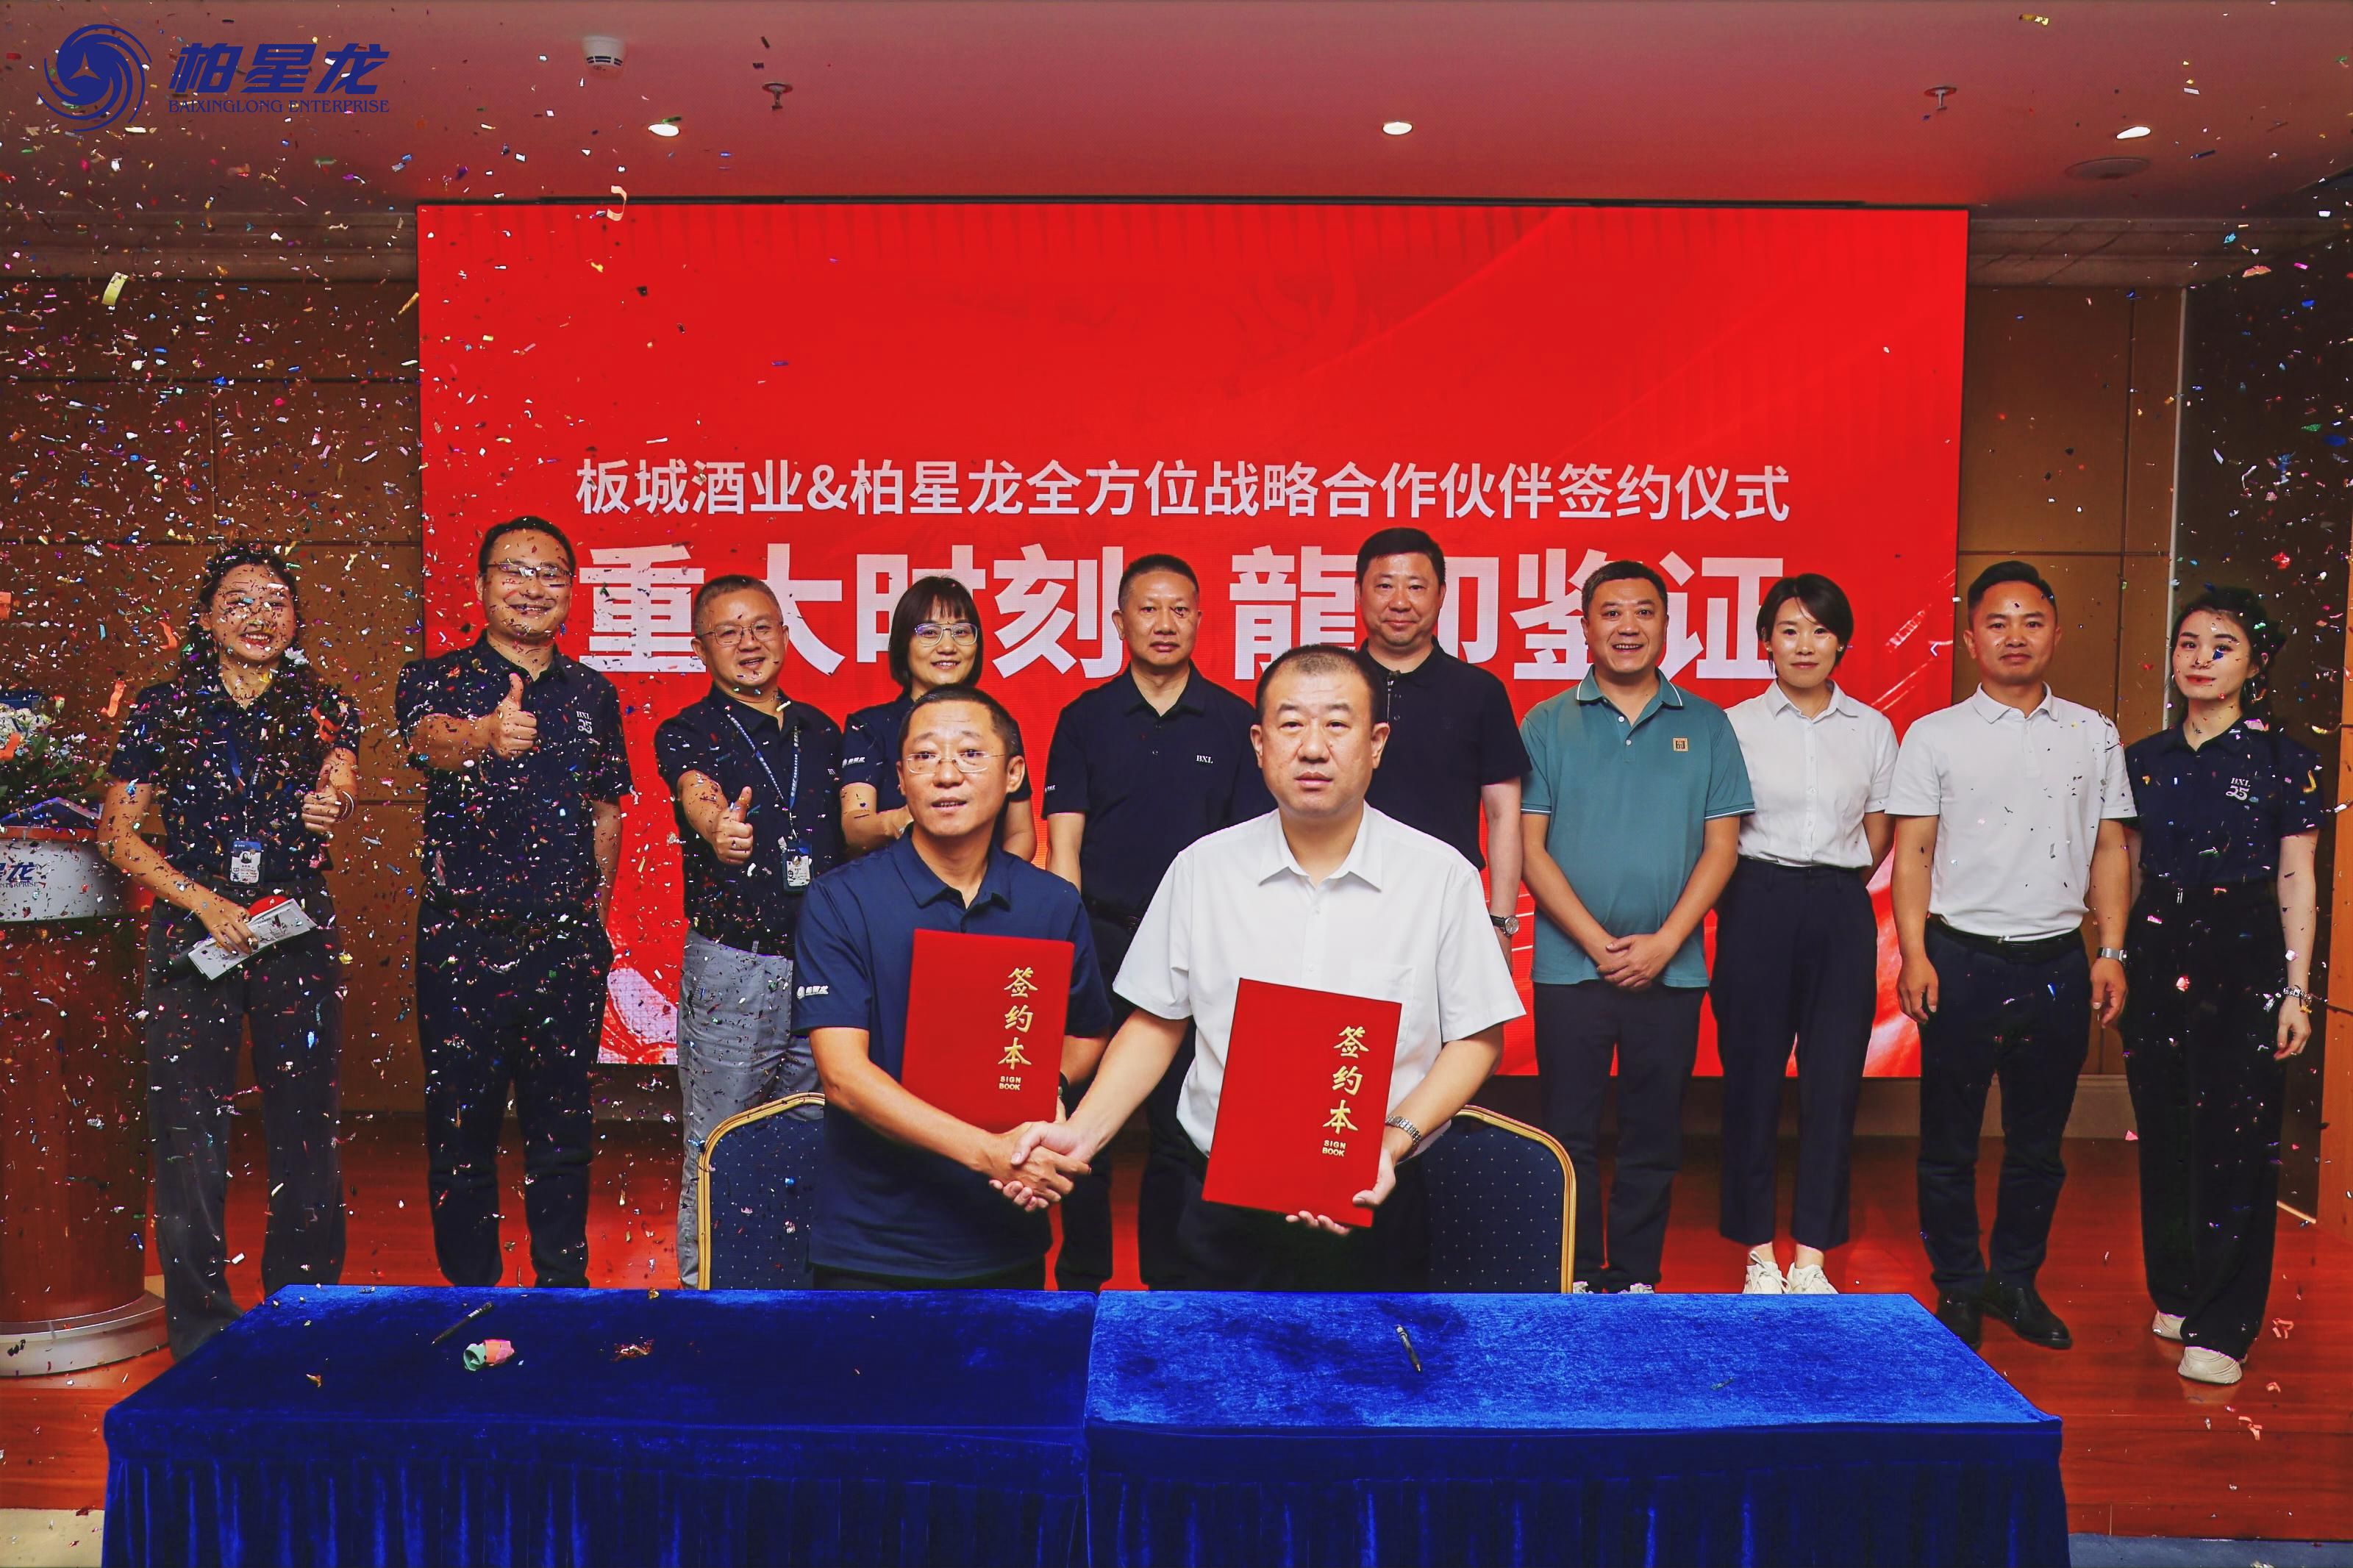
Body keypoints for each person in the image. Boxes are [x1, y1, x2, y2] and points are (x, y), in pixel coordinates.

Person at [1011, 644, 1523, 1292]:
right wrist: (1081, 1134)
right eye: (1291, 724)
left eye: (1337, 724)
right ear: (1259, 743)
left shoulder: (1439, 876)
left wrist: (1390, 1142)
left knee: (1368, 1359)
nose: (1313, 748)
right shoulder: (1202, 869)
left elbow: (1477, 1036)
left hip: (1377, 1192)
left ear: (1377, 743)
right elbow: (1156, 1023)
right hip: (1218, 1205)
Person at [97, 544, 358, 1360]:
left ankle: (302, 1309)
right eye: (239, 601)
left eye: (276, 600)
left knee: (306, 1125)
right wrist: (205, 903)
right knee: (188, 1132)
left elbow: (342, 776)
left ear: (298, 618)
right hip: (193, 926)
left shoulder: (324, 705)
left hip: (293, 921)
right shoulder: (164, 706)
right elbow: (116, 836)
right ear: (207, 619)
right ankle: (202, 1327)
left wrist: (334, 803)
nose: (259, 616)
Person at [1890, 559, 2134, 1352]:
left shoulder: (2092, 732)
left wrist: (2110, 948)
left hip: (2058, 961)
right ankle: (1959, 1284)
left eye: (2031, 621)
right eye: (1997, 623)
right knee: (1948, 1142)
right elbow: (1912, 853)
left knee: (2038, 1144)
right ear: (1970, 639)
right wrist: (1914, 953)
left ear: (2055, 633)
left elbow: (2109, 847)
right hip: (1960, 958)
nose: (2014, 636)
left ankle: (2016, 1283)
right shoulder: (1933, 735)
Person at [793, 685, 1111, 1288]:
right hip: (870, 1244)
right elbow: (843, 1078)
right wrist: (989, 1151)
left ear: (1013, 774)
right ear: (900, 778)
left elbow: (1088, 1031)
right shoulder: (841, 900)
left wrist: (1046, 1088)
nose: (946, 774)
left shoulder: (1051, 903)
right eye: (924, 756)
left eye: (970, 753)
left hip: (1006, 1232)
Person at [396, 517, 631, 1289]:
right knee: (460, 1134)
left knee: (563, 1133)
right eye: (514, 571)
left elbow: (605, 811)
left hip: (564, 945)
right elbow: (427, 741)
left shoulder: (594, 693)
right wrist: (485, 734)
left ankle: (563, 1291)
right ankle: (471, 1298)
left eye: (550, 574)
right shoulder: (432, 679)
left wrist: (594, 924)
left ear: (571, 590)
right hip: (462, 942)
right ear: (480, 585)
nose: (532, 588)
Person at [1519, 559, 1752, 1293]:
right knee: (1569, 1133)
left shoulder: (1706, 724)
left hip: (1670, 970)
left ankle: (1636, 1276)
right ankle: (1576, 1274)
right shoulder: (1546, 722)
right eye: (1611, 612)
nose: (1628, 626)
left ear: (1666, 624)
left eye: (1644, 611)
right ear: (1585, 626)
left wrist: (1665, 943)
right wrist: (1596, 943)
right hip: (1570, 968)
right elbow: (1528, 848)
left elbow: (1721, 848)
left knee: (1654, 1134)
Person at [1042, 553, 1271, 1291]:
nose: (1164, 623)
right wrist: (1069, 948)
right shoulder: (1085, 719)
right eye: (1148, 608)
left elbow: (1249, 851)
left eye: (1179, 609)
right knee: (1088, 1119)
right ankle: (1081, 1284)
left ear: (1201, 620)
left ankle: (1174, 1289)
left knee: (1184, 1125)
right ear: (1119, 622)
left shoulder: (1235, 721)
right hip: (1103, 937)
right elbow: (1063, 847)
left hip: (1201, 946)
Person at [2120, 587, 2320, 1386]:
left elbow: (2296, 876)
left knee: (2235, 1139)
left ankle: (2225, 1323)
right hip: (2155, 941)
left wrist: (2296, 989)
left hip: (2243, 948)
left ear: (2255, 663)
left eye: (2222, 645)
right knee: (2163, 1124)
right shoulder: (2143, 758)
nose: (2200, 659)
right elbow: (2127, 866)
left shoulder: (2283, 760)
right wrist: (2115, 954)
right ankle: (2175, 1290)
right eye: (2188, 642)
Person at [654, 573, 845, 1289]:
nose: (748, 642)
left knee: (807, 1136)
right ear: (700, 647)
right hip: (734, 966)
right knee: (719, 1138)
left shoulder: (822, 733)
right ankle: (705, 1298)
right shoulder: (688, 731)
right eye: (728, 631)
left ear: (786, 637)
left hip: (820, 965)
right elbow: (696, 793)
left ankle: (791, 1293)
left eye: (761, 626)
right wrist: (718, 830)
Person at [1717, 573, 1897, 1295]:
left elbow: (1878, 832)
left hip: (1838, 906)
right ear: (1765, 641)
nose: (1803, 645)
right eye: (1788, 630)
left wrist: (1832, 884)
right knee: (1751, 1081)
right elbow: (1718, 829)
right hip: (1755, 898)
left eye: (1819, 630)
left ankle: (1812, 1258)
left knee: (1832, 1083)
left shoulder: (1872, 729)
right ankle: (1760, 1255)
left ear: (1840, 642)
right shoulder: (1733, 725)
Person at [1355, 528, 1530, 957]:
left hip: (1446, 907)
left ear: (1441, 596)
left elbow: (1503, 815)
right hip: (1341, 898)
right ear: (1359, 593)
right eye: (1384, 586)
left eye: (1416, 587)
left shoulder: (1479, 692)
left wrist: (1501, 924)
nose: (1400, 602)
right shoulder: (1326, 685)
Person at [840, 576, 1035, 860]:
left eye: (961, 631)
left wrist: (993, 881)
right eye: (930, 632)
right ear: (903, 643)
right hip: (892, 883)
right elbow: (854, 826)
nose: (947, 646)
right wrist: (904, 819)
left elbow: (1021, 833)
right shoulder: (870, 727)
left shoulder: (998, 726)